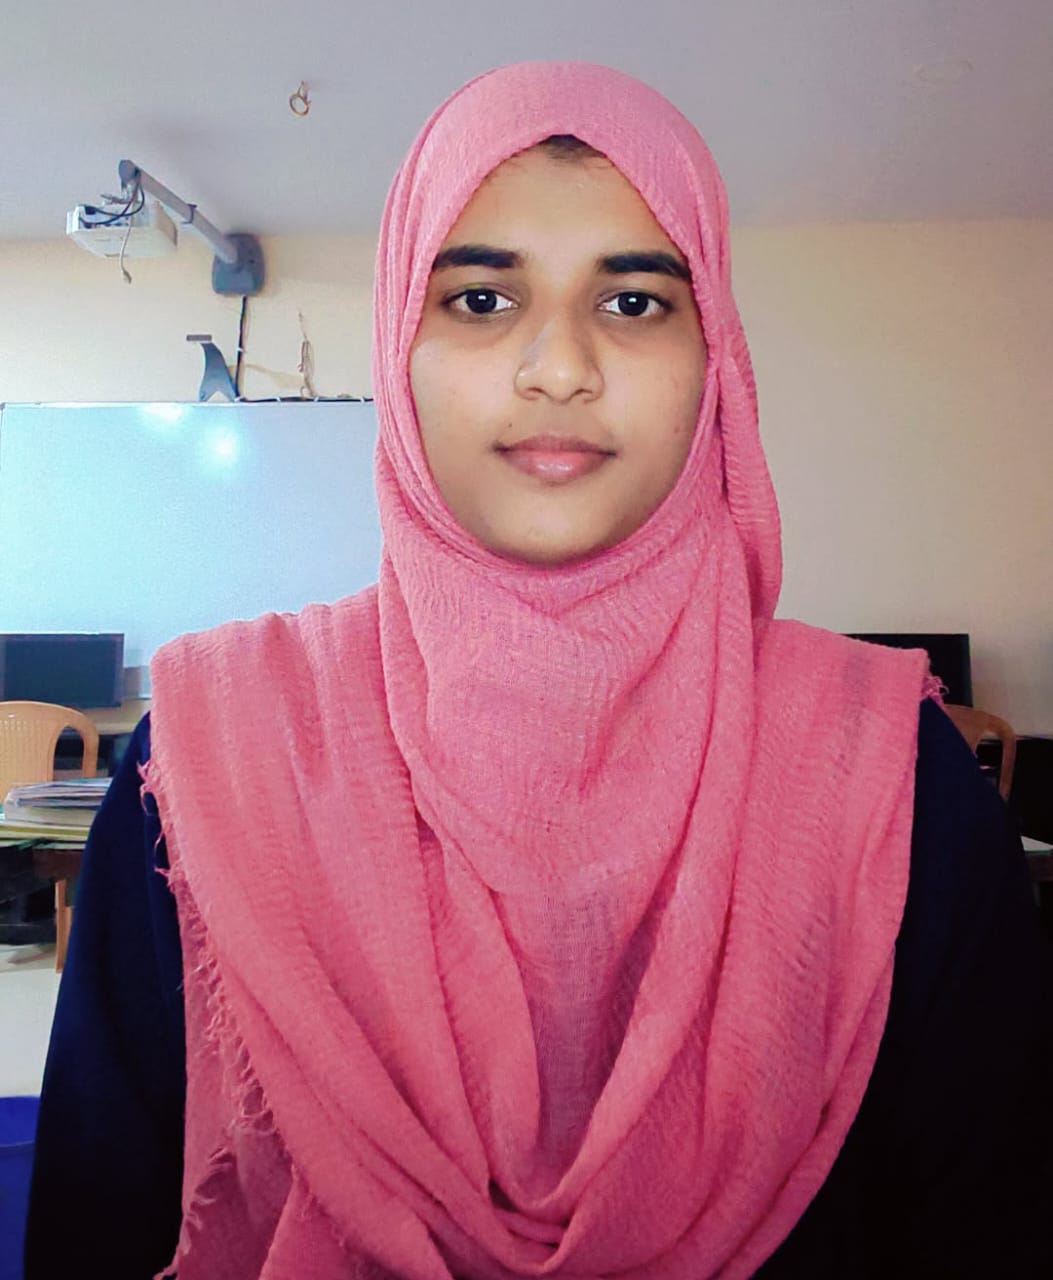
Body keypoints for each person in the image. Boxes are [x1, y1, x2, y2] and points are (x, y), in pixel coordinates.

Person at [26, 61, 1053, 1279]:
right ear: (400, 348)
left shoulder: (887, 774)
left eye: (634, 302)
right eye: (479, 299)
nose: (559, 365)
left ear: (716, 359)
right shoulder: (213, 760)